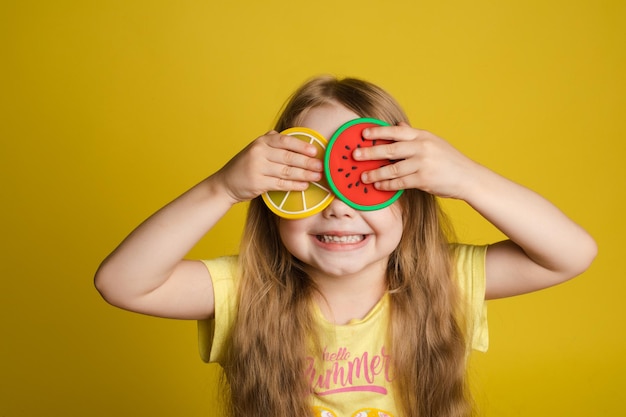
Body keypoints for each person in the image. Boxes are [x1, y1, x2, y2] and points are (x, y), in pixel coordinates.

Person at [94, 75, 597, 417]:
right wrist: (220, 188)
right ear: (272, 201)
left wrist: (468, 179)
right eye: (311, 185)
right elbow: (121, 283)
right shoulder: (245, 291)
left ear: (411, 197)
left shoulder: (445, 282)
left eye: (364, 182)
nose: (338, 207)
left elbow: (572, 253)